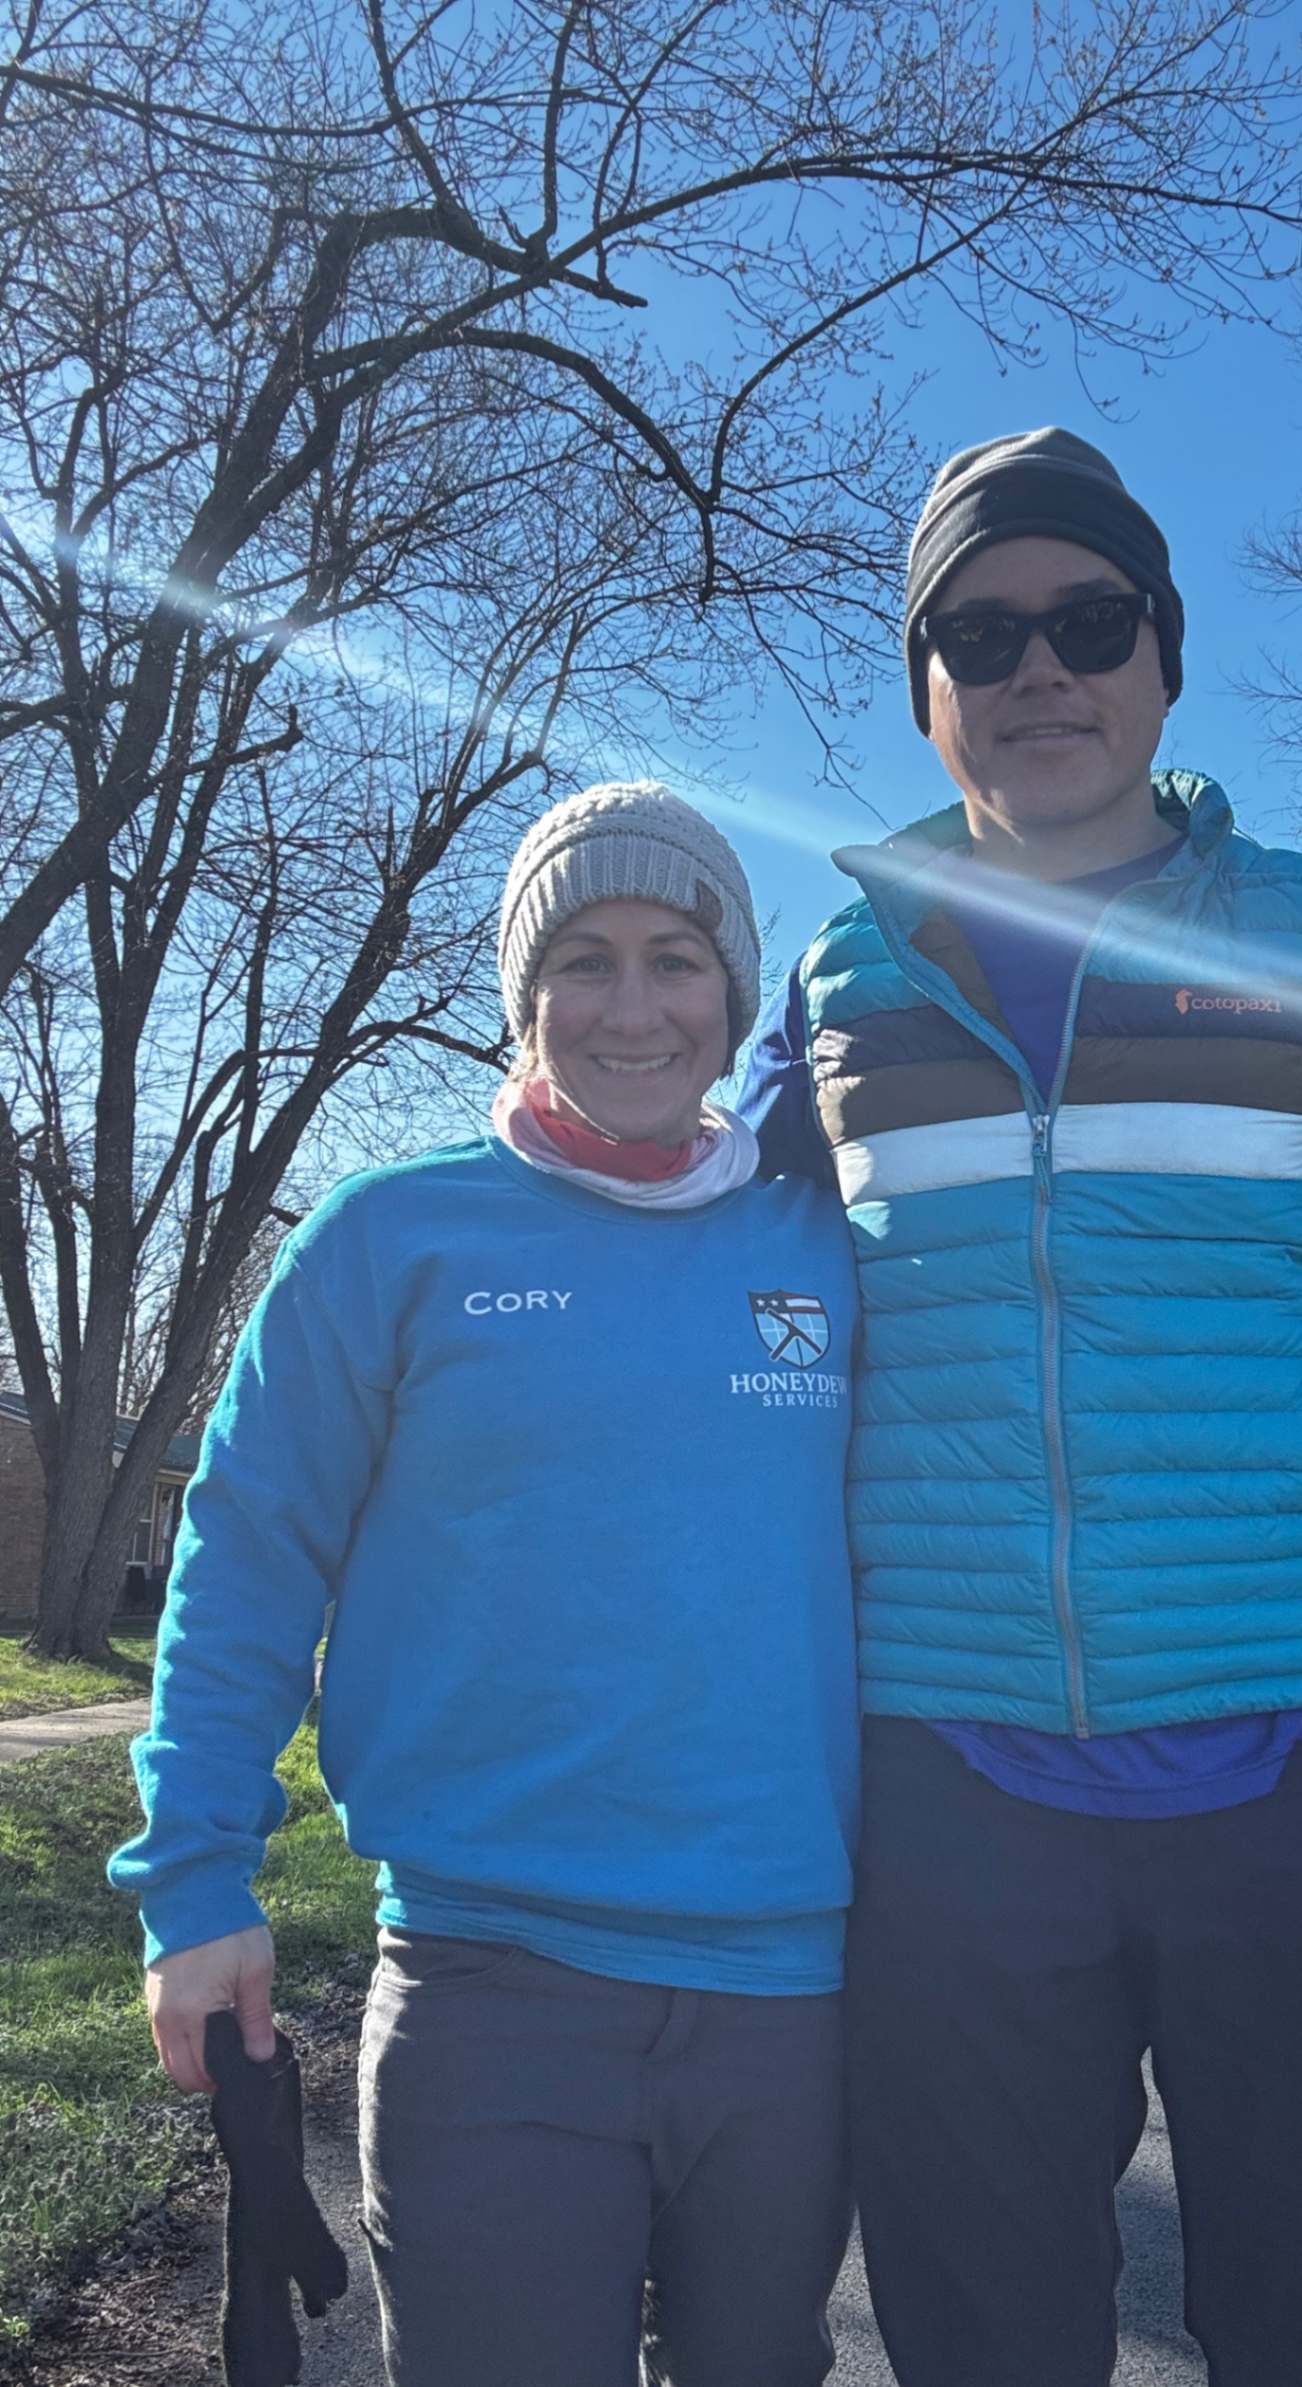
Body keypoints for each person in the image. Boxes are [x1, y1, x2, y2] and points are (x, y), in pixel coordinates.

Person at [743, 429, 1302, 2387]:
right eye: (979, 631)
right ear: (926, 684)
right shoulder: (827, 986)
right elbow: (733, 1374)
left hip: (1287, 1795)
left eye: (1087, 621)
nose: (1039, 671)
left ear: (1162, 656)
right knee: (981, 2349)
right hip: (942, 1799)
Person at [110, 783, 861, 2387]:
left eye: (676, 957)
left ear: (734, 989)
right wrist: (195, 1882)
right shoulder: (390, 1239)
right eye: (582, 962)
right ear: (522, 1001)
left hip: (792, 1990)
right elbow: (244, 1561)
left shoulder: (830, 1245)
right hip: (490, 1983)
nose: (633, 1007)